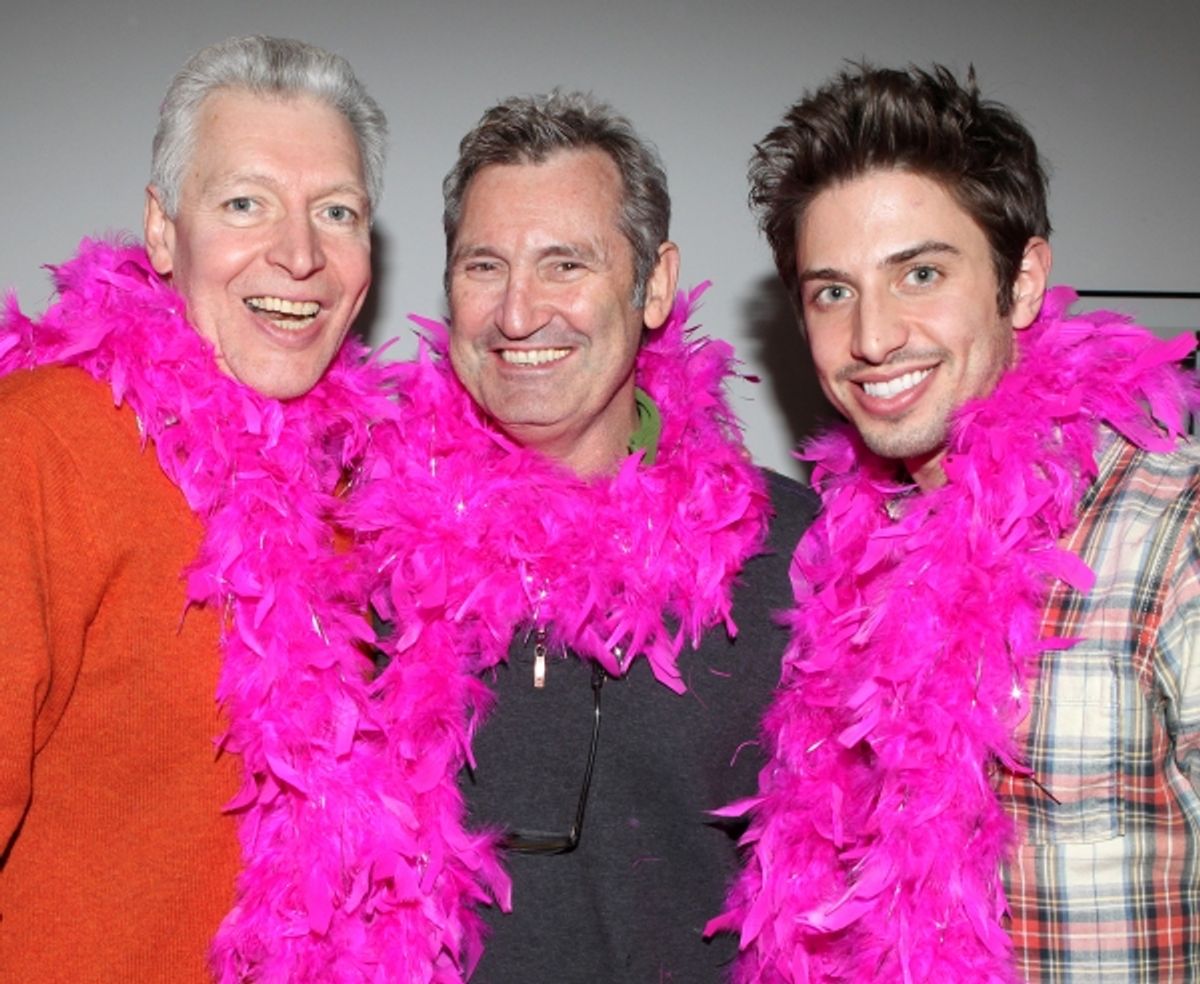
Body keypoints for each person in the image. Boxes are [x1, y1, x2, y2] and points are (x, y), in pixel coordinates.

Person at [712, 63, 1200, 982]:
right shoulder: (836, 567)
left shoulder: (1172, 534)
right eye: (832, 292)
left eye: (921, 273)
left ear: (1021, 285)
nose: (873, 336)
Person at [351, 90, 817, 981]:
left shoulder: (796, 552)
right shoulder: (353, 542)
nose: (519, 315)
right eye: (484, 266)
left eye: (566, 264)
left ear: (655, 284)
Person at [0, 35, 426, 981]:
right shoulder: (39, 445)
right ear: (162, 229)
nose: (299, 253)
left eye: (337, 211)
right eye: (246, 203)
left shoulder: (371, 492)